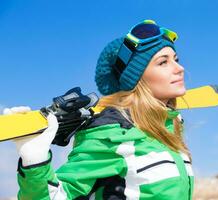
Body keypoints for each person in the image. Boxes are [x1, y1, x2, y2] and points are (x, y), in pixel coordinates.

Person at [4, 19, 194, 200]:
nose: (180, 68)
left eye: (176, 59)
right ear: (137, 78)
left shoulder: (170, 129)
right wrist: (34, 160)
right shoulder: (112, 135)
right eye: (163, 62)